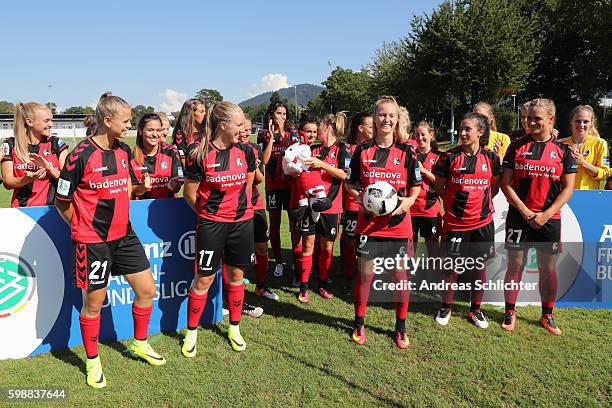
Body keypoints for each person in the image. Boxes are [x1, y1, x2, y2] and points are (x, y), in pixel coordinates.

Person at [55, 93, 165, 389]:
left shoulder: (124, 151)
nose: (130, 126)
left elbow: (128, 186)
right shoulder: (80, 156)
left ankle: (139, 343)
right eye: (126, 121)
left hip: (125, 236)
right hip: (93, 242)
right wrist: (80, 226)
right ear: (107, 120)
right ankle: (93, 362)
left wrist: (142, 186)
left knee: (147, 290)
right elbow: (61, 200)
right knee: (94, 304)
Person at [345, 96, 422, 349]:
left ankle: (400, 327)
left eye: (391, 115)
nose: (386, 120)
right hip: (368, 225)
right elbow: (350, 183)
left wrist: (407, 203)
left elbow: (416, 188)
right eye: (381, 115)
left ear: (397, 119)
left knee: (400, 278)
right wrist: (361, 197)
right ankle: (359, 322)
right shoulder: (362, 151)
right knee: (365, 276)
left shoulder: (408, 151)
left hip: (399, 225)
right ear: (374, 118)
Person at [181, 101, 256, 356]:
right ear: (223, 126)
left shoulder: (246, 152)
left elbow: (247, 187)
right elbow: (189, 193)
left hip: (242, 223)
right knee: (204, 278)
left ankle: (234, 328)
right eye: (239, 124)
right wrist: (210, 215)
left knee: (236, 277)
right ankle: (191, 332)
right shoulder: (199, 154)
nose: (244, 128)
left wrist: (240, 213)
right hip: (212, 225)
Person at [500, 98, 576, 335]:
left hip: (549, 220)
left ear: (551, 120)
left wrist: (546, 214)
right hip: (519, 217)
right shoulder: (515, 146)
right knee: (515, 266)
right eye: (528, 117)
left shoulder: (563, 151)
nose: (530, 122)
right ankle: (510, 312)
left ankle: (547, 315)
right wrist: (524, 211)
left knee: (548, 269)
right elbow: (505, 183)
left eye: (537, 118)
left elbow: (568, 188)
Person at [432, 113, 502, 329]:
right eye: (461, 128)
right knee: (452, 267)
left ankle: (476, 309)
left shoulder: (491, 158)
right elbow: (439, 186)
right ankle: (446, 305)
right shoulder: (448, 157)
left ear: (480, 132)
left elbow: (495, 188)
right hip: (455, 223)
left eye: (467, 129)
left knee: (479, 266)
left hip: (482, 223)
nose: (462, 133)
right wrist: (453, 206)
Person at [295, 112, 349, 302]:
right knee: (308, 245)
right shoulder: (313, 149)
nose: (316, 133)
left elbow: (345, 175)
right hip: (311, 205)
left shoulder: (342, 149)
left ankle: (323, 285)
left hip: (332, 207)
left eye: (319, 129)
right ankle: (303, 287)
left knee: (327, 248)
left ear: (328, 128)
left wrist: (322, 165)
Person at [240, 115, 279, 301]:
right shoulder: (228, 149)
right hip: (235, 207)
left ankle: (261, 286)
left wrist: (253, 167)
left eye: (249, 129)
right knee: (236, 250)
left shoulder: (254, 149)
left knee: (262, 247)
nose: (246, 132)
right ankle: (233, 288)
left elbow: (260, 179)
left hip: (255, 204)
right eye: (243, 129)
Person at [2, 102, 69, 207]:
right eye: (46, 121)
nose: (51, 124)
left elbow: (68, 181)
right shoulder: (10, 145)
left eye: (51, 120)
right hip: (22, 212)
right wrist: (27, 179)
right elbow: (7, 182)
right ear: (29, 122)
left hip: (53, 210)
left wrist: (49, 169)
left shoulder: (57, 144)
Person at [261, 102, 301, 277]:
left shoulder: (292, 133)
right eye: (278, 113)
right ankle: (278, 261)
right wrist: (271, 137)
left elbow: (298, 156)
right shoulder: (263, 133)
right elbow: (265, 160)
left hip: (290, 185)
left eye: (284, 113)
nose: (281, 116)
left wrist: (283, 130)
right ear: (271, 114)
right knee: (275, 225)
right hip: (273, 186)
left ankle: (296, 263)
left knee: (294, 225)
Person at [340, 112, 373, 293]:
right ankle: (349, 276)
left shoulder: (375, 147)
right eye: (371, 126)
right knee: (351, 240)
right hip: (353, 202)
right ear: (361, 128)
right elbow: (347, 177)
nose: (374, 129)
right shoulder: (348, 148)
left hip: (372, 205)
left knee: (366, 242)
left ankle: (365, 276)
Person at [288, 113, 319, 287]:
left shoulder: (319, 150)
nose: (312, 135)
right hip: (295, 200)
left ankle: (306, 273)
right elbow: (284, 175)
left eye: (314, 132)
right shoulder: (294, 149)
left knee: (310, 241)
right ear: (301, 132)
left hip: (314, 202)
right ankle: (296, 272)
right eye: (308, 131)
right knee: (296, 240)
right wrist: (291, 172)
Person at [131, 113, 183, 199]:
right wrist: (143, 187)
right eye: (150, 130)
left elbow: (178, 181)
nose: (155, 134)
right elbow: (132, 189)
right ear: (140, 130)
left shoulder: (171, 152)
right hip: (141, 208)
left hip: (168, 206)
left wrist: (175, 185)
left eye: (158, 130)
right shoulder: (131, 156)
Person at [558, 105, 610, 190]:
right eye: (578, 121)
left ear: (591, 123)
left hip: (588, 197)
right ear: (571, 121)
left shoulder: (600, 143)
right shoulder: (560, 143)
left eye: (586, 121)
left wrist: (583, 163)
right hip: (563, 197)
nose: (581, 125)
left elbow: (605, 174)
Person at [411, 121, 441, 259]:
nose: (420, 138)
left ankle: (433, 272)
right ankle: (409, 272)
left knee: (432, 243)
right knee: (410, 242)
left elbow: (442, 183)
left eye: (423, 134)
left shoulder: (439, 157)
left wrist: (424, 171)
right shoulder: (410, 156)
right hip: (411, 207)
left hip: (430, 208)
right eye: (417, 135)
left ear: (431, 135)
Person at [172, 99, 206, 164]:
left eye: (205, 111)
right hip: (191, 172)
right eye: (202, 112)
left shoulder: (207, 131)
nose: (205, 114)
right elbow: (182, 159)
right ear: (191, 114)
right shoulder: (181, 134)